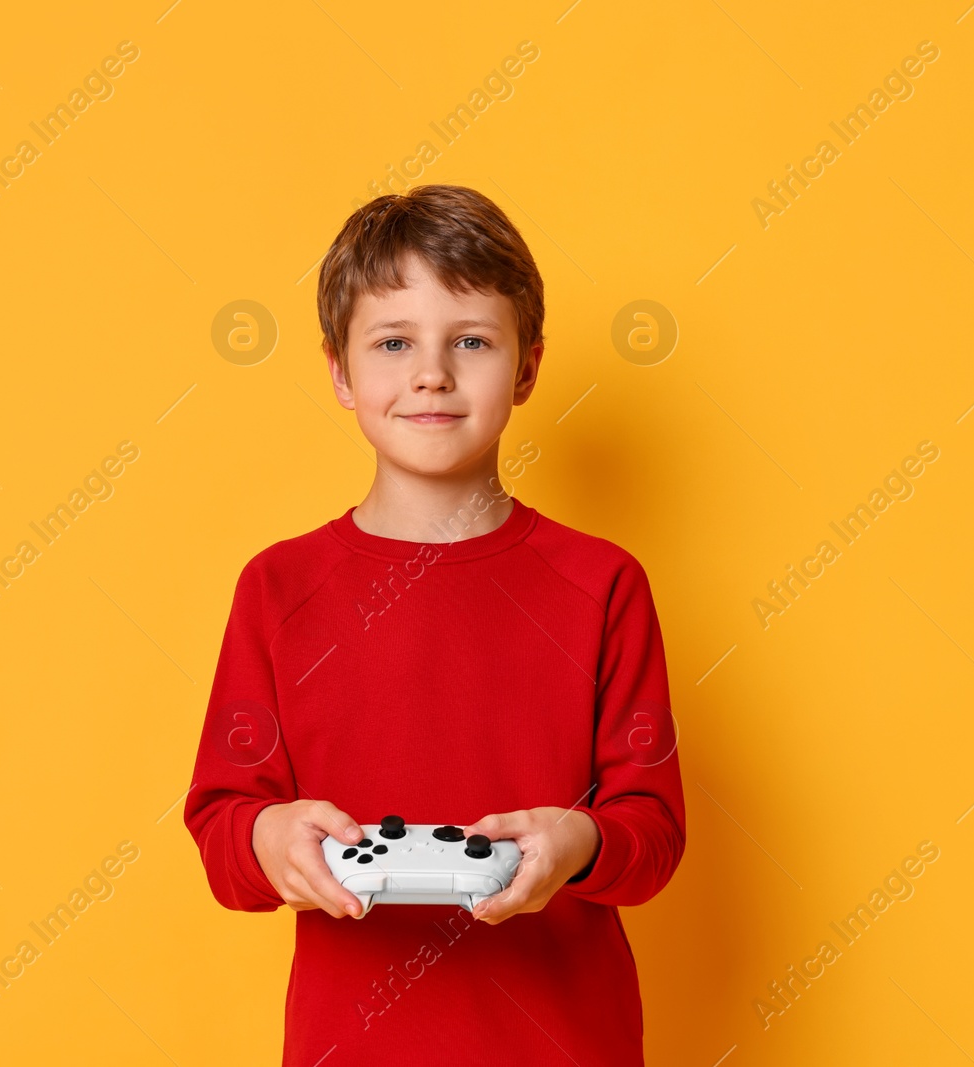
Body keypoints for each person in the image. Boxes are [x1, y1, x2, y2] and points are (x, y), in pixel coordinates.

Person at [184, 184, 686, 1066]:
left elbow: (652, 831)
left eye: (471, 341)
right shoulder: (278, 587)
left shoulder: (602, 584)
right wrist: (269, 837)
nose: (432, 373)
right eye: (393, 342)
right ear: (339, 371)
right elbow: (224, 821)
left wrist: (580, 842)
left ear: (527, 366)